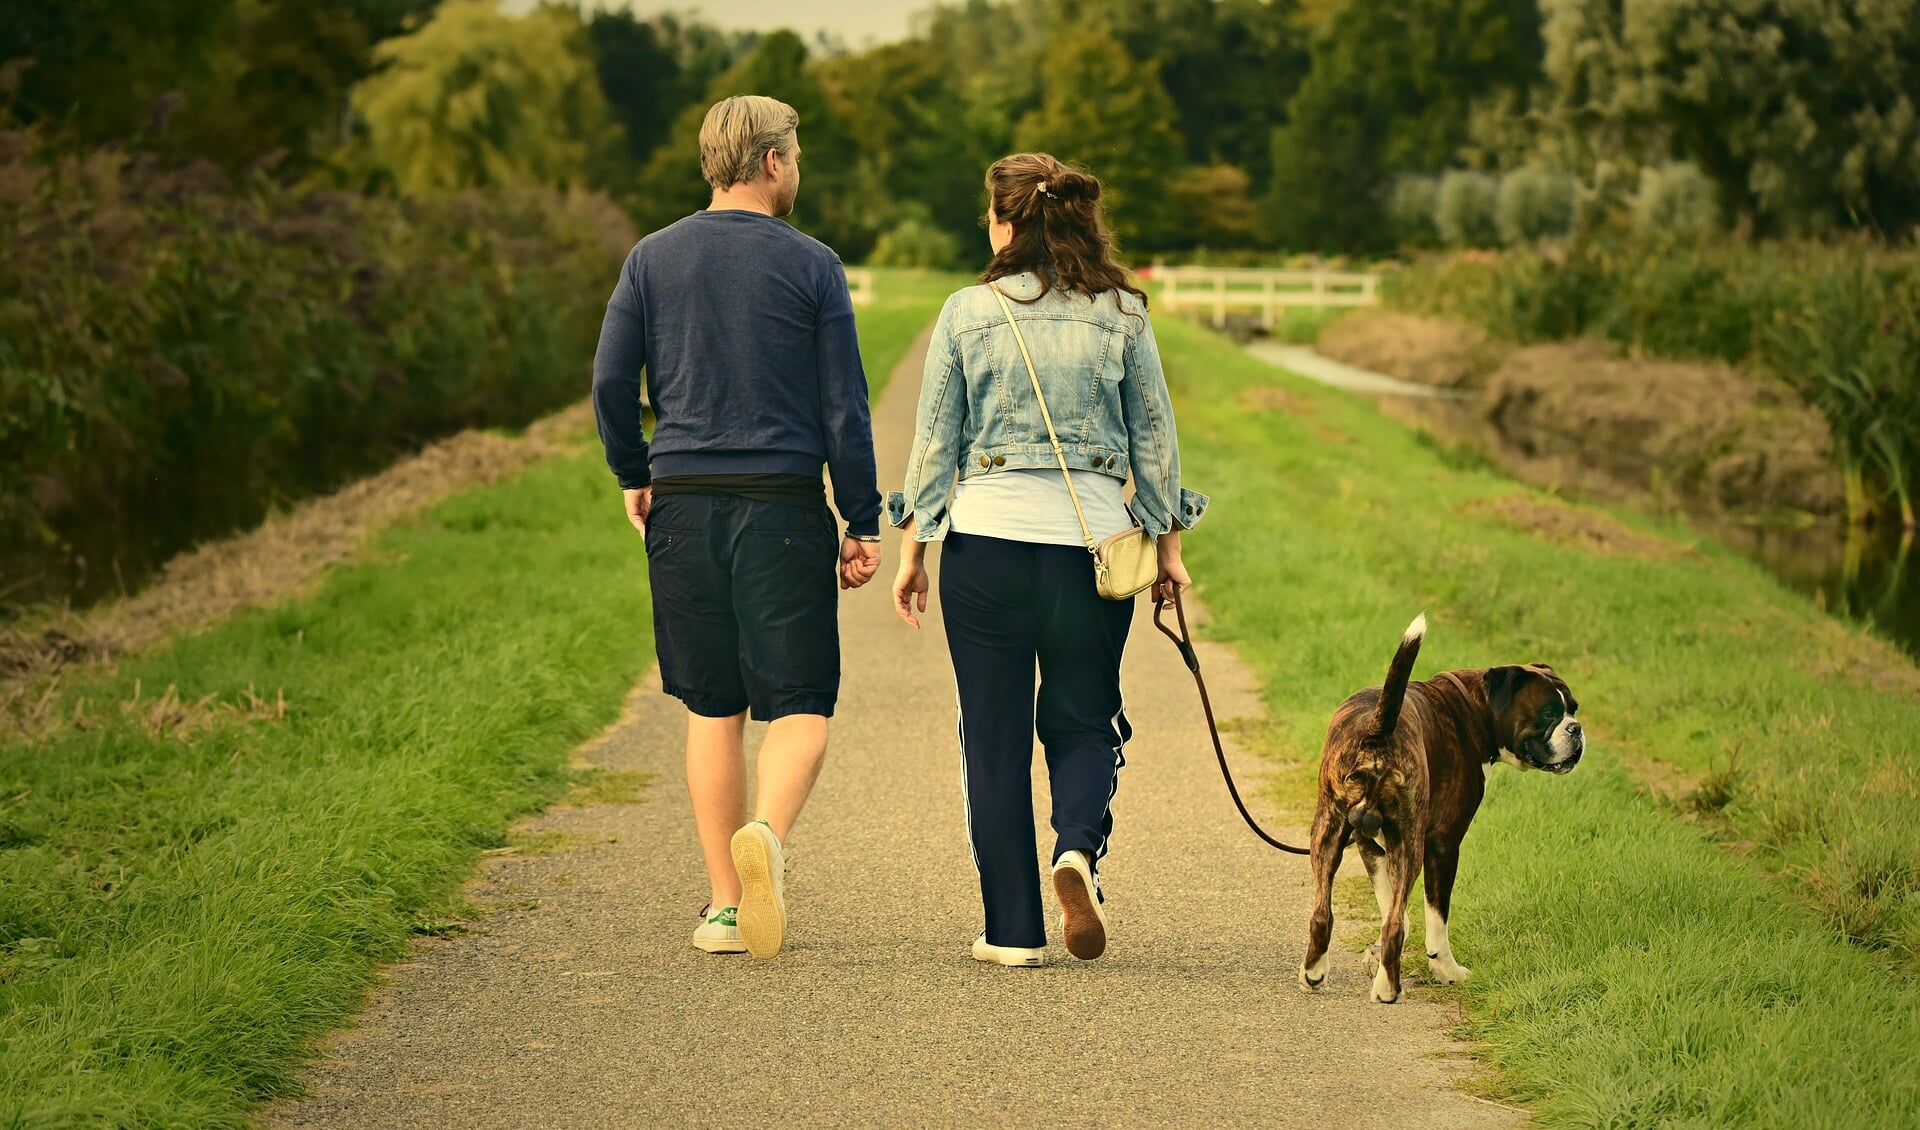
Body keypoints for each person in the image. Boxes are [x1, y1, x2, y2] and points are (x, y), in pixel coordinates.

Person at [887, 153, 1208, 967]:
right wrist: (1167, 550)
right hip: (1092, 551)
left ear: (1006, 222)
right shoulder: (1125, 315)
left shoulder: (966, 313)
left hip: (985, 548)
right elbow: (1156, 443)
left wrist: (913, 551)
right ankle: (1077, 850)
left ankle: (1012, 932)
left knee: (992, 737)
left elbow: (935, 445)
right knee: (1084, 718)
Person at [591, 95, 882, 960]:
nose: (798, 169)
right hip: (781, 508)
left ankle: (724, 904)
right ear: (769, 164)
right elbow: (844, 407)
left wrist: (634, 473)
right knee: (799, 705)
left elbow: (612, 384)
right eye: (795, 155)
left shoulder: (650, 259)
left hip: (681, 502)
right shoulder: (814, 266)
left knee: (713, 708)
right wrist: (859, 519)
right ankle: (767, 834)